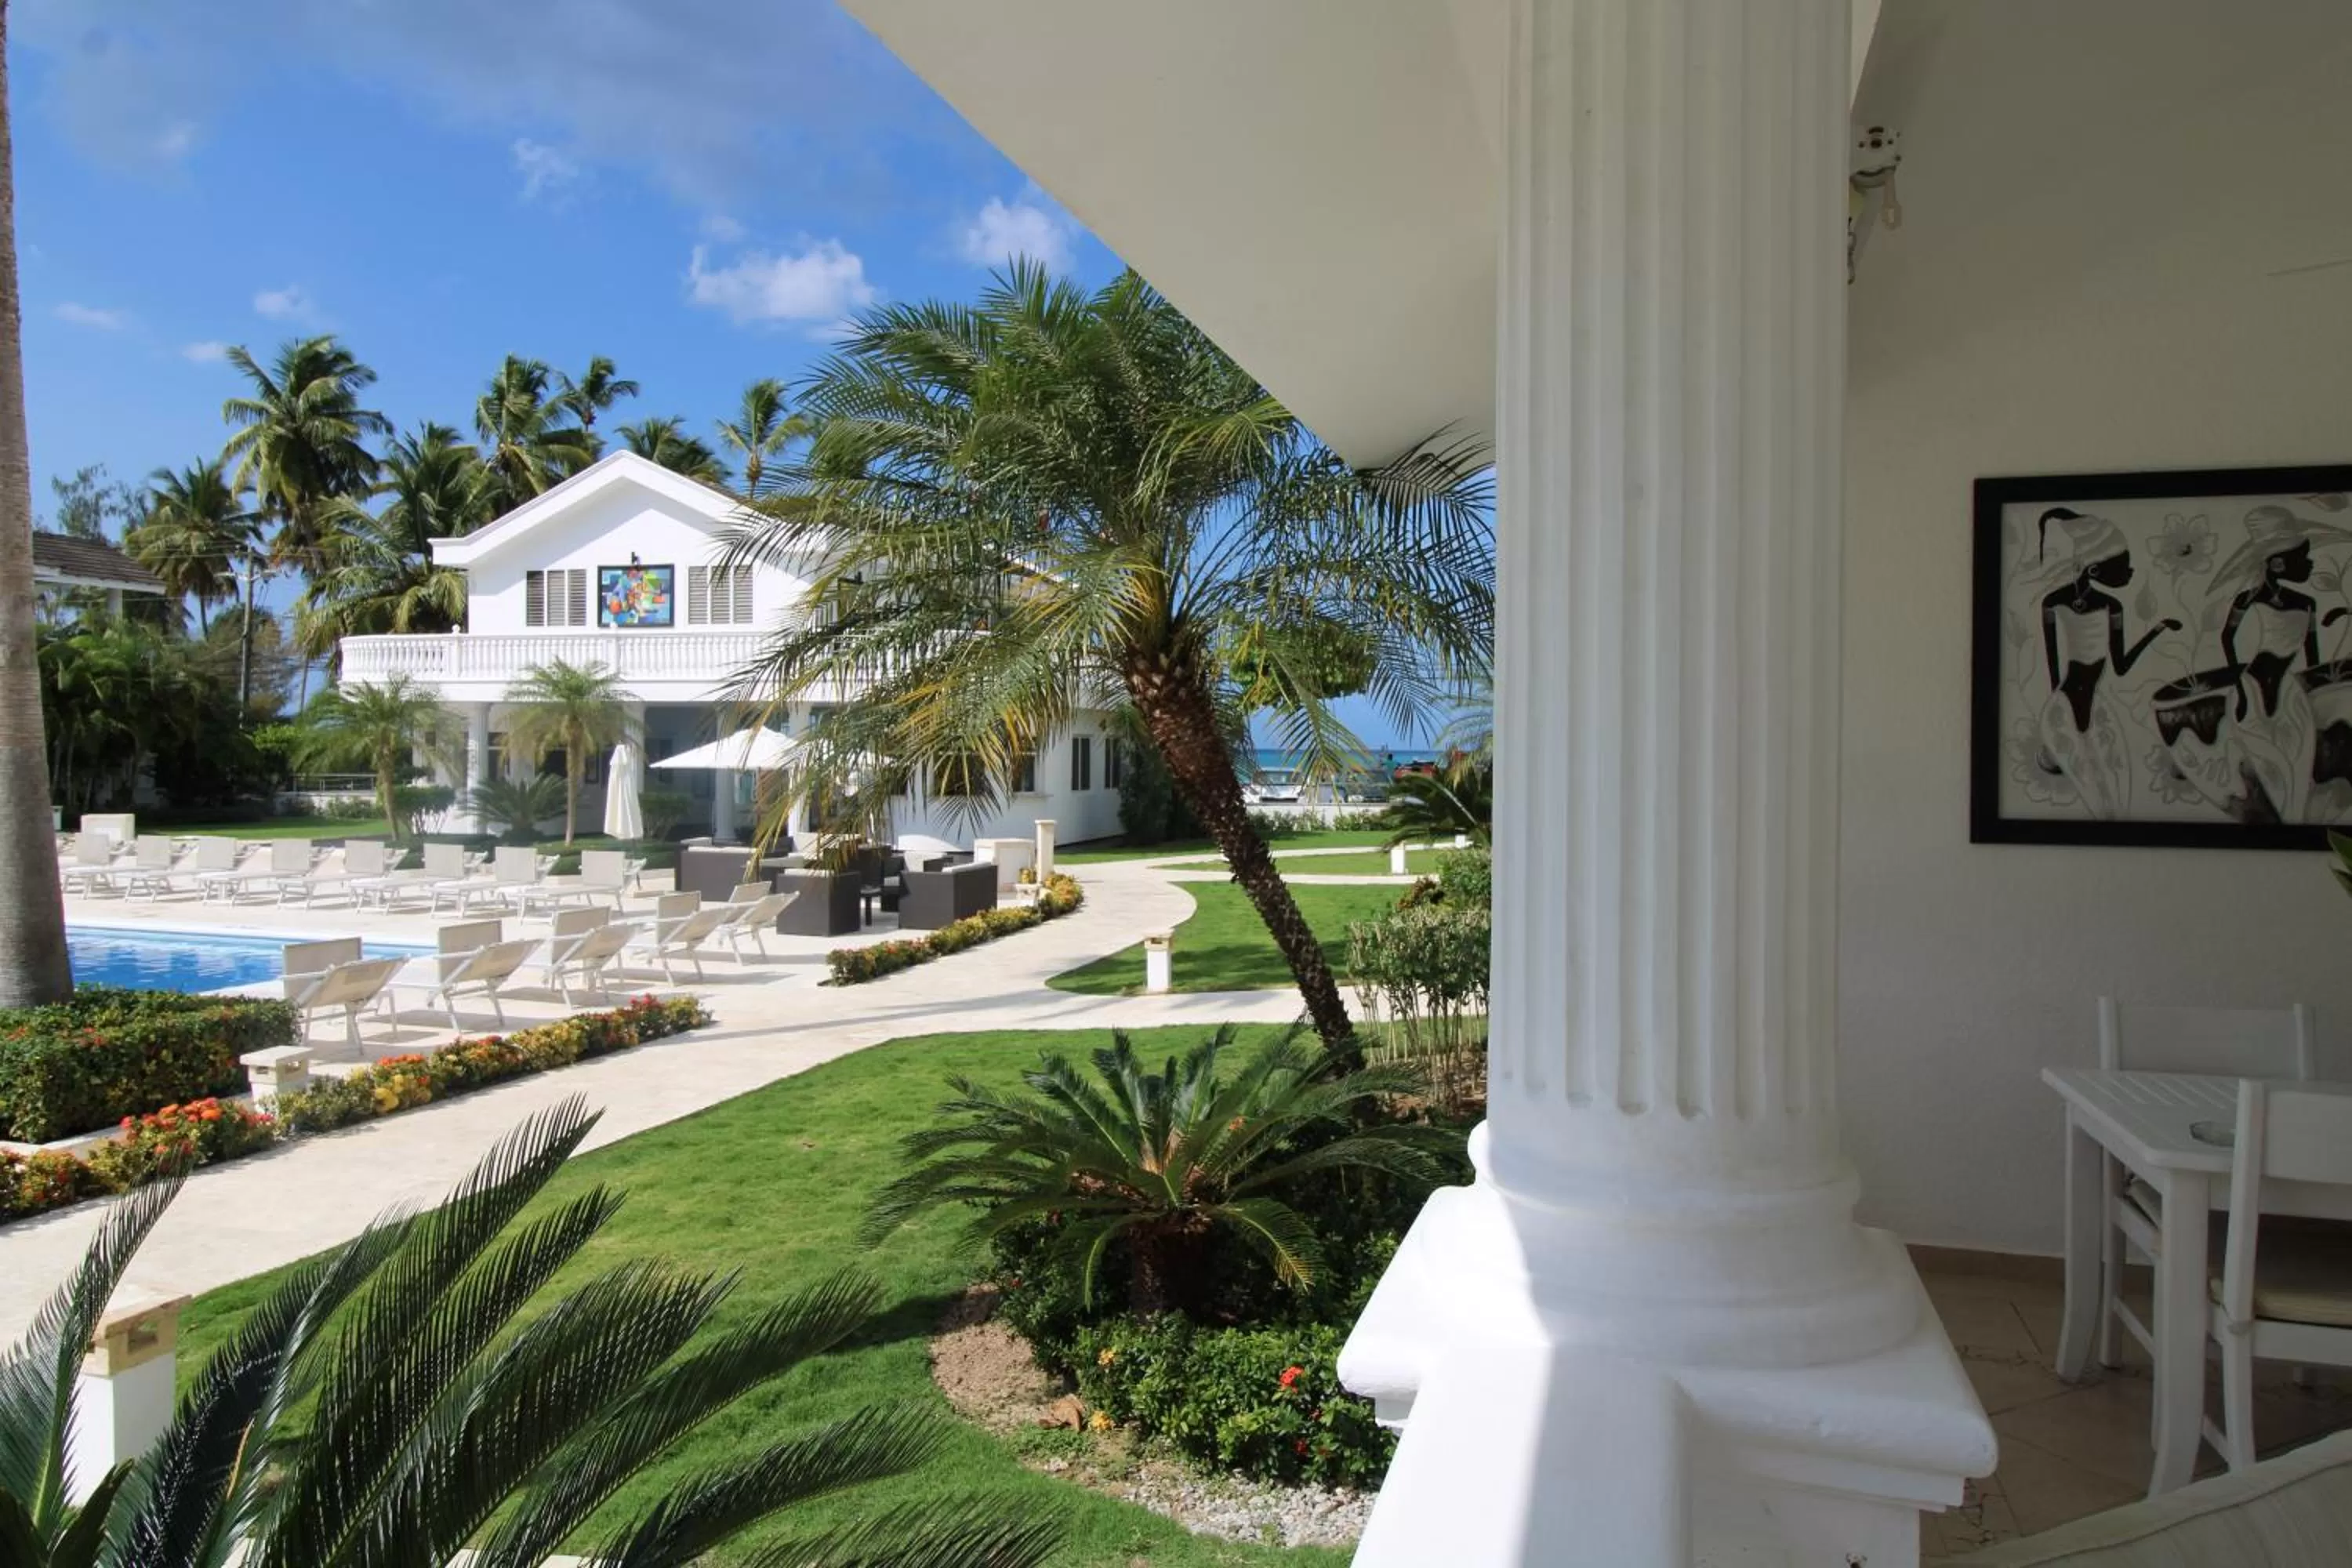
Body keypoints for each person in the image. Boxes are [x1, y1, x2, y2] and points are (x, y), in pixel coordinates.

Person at [2032, 507, 2180, 818]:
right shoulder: (2053, 603)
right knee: (2093, 776)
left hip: (2092, 700)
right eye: (2123, 565)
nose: (2130, 572)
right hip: (2069, 699)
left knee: (2108, 779)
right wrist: (2055, 705)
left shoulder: (2113, 606)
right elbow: (2052, 660)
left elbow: (2121, 665)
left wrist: (2157, 629)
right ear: (2095, 570)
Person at [2208, 504, 2352, 820]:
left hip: (2289, 691)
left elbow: (2312, 655)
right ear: (2277, 563)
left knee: (2299, 757)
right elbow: (2227, 639)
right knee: (2265, 760)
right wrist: (2239, 684)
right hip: (2252, 689)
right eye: (2303, 558)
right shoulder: (2247, 601)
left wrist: (2313, 689)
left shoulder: (2307, 603)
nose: (2310, 564)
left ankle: (2294, 818)